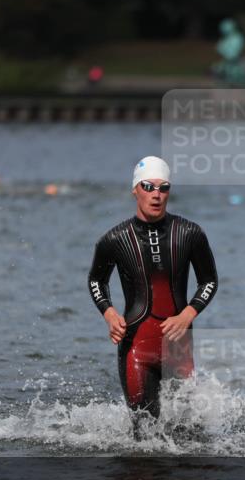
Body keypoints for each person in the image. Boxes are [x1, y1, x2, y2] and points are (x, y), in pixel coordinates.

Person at [87, 156, 219, 439]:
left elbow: (209, 281)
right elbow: (97, 281)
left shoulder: (190, 233)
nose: (156, 194)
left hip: (178, 351)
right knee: (144, 439)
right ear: (135, 190)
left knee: (189, 437)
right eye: (148, 187)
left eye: (163, 187)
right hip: (136, 349)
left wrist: (188, 314)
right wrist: (109, 313)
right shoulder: (114, 240)